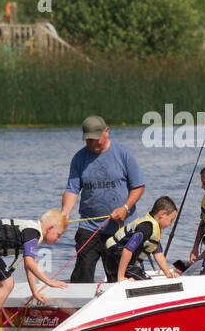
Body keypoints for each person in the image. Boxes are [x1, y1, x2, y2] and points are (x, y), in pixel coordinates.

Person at [61, 115, 145, 283]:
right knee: (82, 273)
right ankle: (77, 306)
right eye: (88, 140)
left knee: (117, 276)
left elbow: (138, 187)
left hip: (121, 229)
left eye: (95, 139)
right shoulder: (79, 158)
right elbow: (72, 189)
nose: (92, 144)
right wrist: (64, 213)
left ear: (106, 132)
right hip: (89, 228)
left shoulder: (123, 153)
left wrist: (125, 208)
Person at [0, 211, 67, 327]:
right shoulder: (33, 233)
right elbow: (30, 263)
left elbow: (28, 267)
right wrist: (49, 282)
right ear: (49, 228)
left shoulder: (33, 232)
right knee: (8, 284)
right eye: (58, 234)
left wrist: (34, 292)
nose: (58, 239)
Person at [102, 196, 180, 282]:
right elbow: (127, 250)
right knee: (147, 284)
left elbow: (158, 254)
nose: (170, 224)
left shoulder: (153, 230)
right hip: (117, 261)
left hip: (117, 262)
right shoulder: (146, 228)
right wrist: (121, 277)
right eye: (171, 220)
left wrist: (168, 274)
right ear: (162, 214)